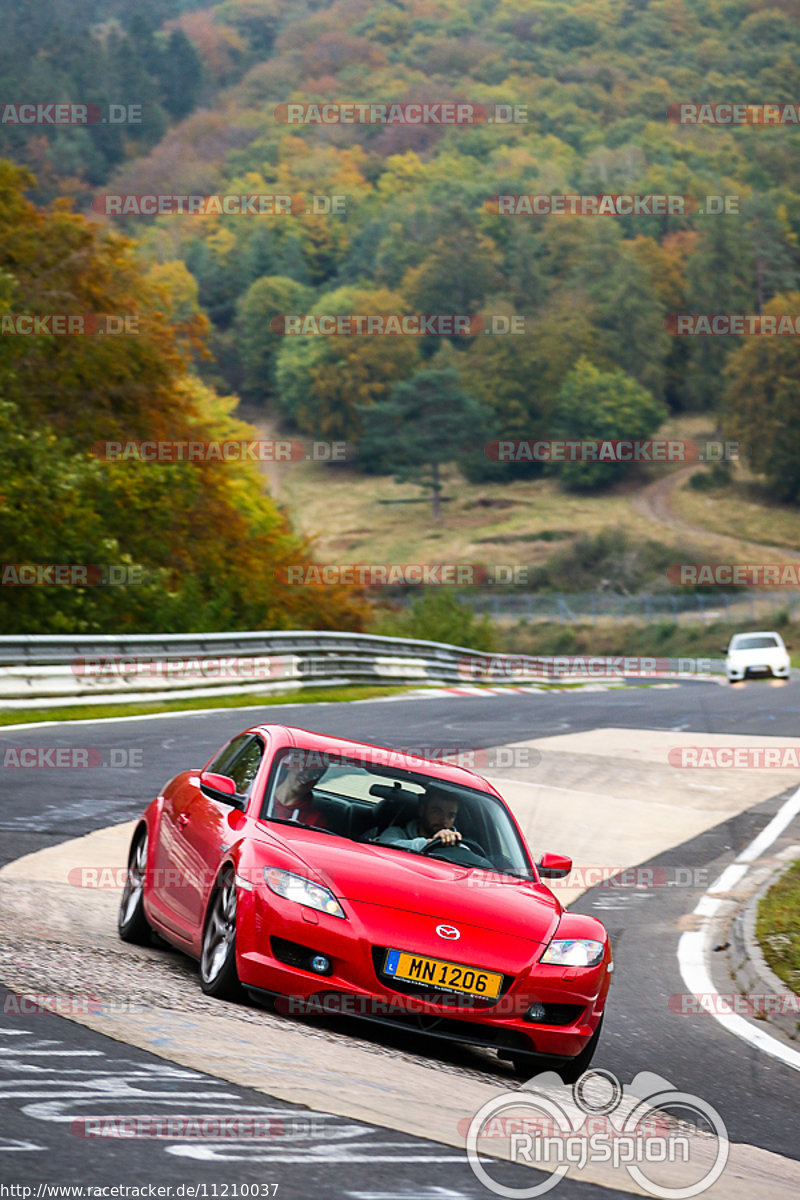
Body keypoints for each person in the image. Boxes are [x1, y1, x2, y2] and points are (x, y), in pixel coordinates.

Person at [376, 790, 461, 852]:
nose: (444, 820)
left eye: (451, 815)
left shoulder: (459, 846)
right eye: (437, 811)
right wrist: (429, 843)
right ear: (422, 811)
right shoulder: (395, 833)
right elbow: (382, 847)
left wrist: (452, 845)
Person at [270, 762, 327, 827]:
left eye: (315, 773)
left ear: (316, 781)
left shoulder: (315, 821)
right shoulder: (259, 791)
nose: (307, 776)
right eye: (304, 768)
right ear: (290, 765)